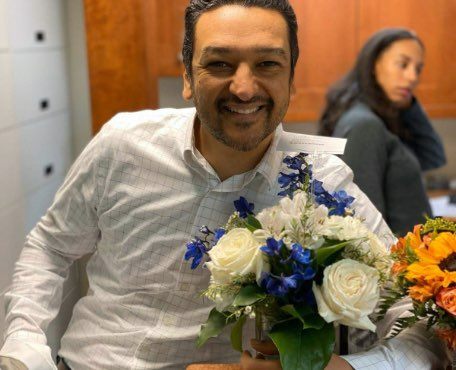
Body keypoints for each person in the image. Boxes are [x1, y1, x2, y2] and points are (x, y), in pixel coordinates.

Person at [0, 2, 448, 369]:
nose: (244, 87)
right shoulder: (122, 144)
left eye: (267, 64)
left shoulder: (324, 181)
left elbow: (415, 311)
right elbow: (52, 247)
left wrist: (353, 369)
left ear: (291, 77)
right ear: (187, 79)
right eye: (219, 63)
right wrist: (23, 348)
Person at [319, 28, 446, 236]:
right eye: (403, 64)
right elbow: (366, 226)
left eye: (418, 69)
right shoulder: (364, 125)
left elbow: (433, 157)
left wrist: (409, 105)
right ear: (373, 65)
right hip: (399, 263)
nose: (413, 77)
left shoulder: (382, 117)